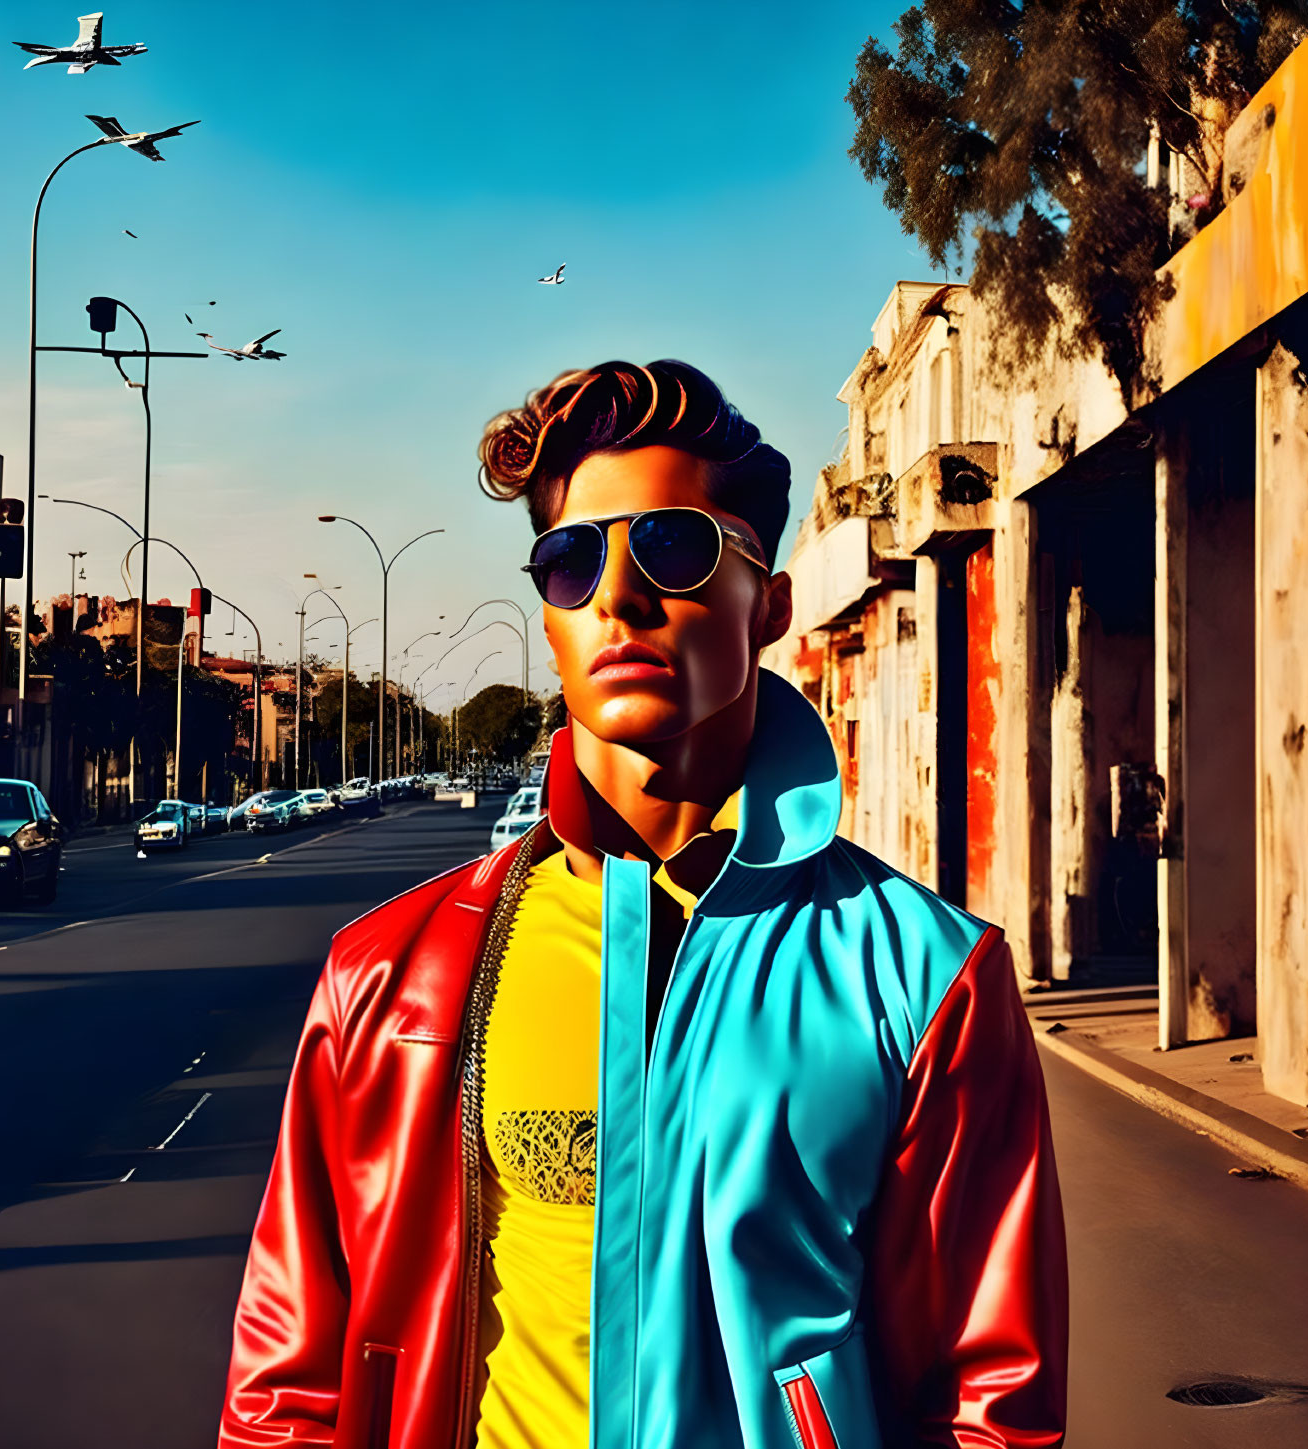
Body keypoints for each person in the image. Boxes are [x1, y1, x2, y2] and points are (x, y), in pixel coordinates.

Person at [219, 360, 1068, 1449]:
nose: (614, 596)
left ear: (770, 600)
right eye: (569, 562)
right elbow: (284, 1392)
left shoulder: (925, 979)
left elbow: (993, 1402)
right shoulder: (388, 975)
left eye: (670, 546)